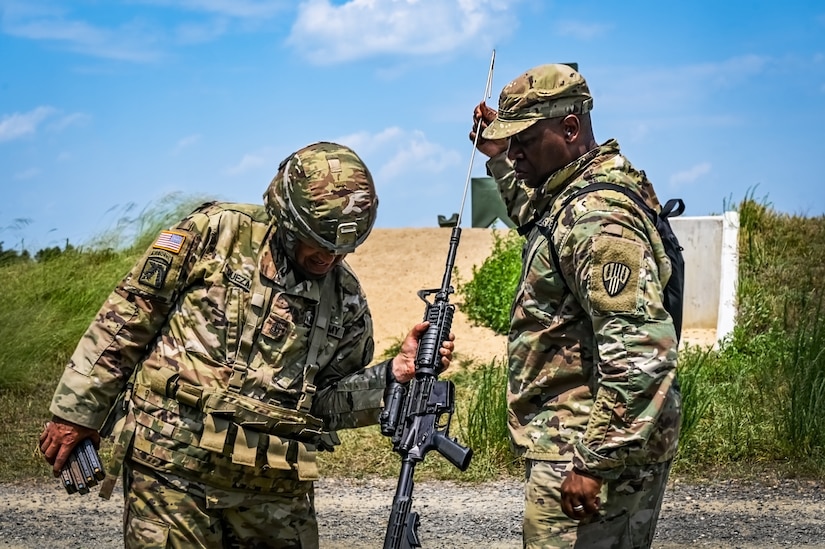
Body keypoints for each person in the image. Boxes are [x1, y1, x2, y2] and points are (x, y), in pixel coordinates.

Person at [39, 141, 455, 548]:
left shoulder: (347, 300)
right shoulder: (215, 234)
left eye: (342, 249)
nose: (328, 259)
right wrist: (76, 414)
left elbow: (327, 405)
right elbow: (127, 320)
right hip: (173, 474)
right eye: (319, 243)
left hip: (274, 493)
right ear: (287, 218)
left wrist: (394, 374)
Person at [469, 64, 681, 548]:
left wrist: (594, 460)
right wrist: (500, 157)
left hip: (585, 443)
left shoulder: (598, 217)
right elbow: (536, 219)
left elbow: (642, 351)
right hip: (586, 437)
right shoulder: (573, 194)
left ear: (569, 128)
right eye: (510, 140)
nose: (516, 151)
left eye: (524, 140)